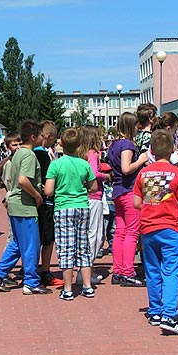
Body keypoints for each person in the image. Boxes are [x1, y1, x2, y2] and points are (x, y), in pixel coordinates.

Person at [133, 129, 178, 335]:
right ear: (173, 149)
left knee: (152, 270)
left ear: (151, 150)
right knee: (171, 270)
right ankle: (169, 314)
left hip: (148, 228)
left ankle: (155, 310)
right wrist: (177, 217)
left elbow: (136, 202)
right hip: (171, 228)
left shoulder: (143, 173)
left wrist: (153, 209)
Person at [0, 120, 51, 295]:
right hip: (24, 205)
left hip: (15, 203)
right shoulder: (29, 155)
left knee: (17, 244)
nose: (43, 138)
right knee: (31, 245)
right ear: (33, 137)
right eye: (41, 135)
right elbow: (23, 180)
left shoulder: (18, 154)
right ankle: (31, 281)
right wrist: (37, 195)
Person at [45, 128, 97, 300]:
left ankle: (68, 288)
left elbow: (49, 191)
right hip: (82, 206)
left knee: (66, 247)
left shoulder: (56, 164)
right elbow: (94, 187)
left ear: (61, 143)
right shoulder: (84, 164)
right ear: (79, 145)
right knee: (83, 246)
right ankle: (87, 286)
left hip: (63, 208)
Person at [107, 112, 149, 286]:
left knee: (120, 231)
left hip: (118, 191)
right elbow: (126, 168)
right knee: (132, 232)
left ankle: (118, 270)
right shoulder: (126, 144)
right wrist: (141, 160)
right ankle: (127, 271)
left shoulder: (113, 145)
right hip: (129, 191)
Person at [77, 125, 111, 276]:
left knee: (90, 233)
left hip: (85, 197)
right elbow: (94, 173)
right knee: (95, 234)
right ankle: (85, 269)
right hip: (94, 196)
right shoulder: (93, 154)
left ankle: (85, 268)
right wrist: (106, 176)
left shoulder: (81, 154)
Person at [34, 120, 63, 286]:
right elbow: (47, 179)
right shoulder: (43, 155)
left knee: (37, 238)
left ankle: (31, 268)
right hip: (46, 203)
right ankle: (45, 270)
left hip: (38, 202)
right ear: (49, 137)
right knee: (47, 239)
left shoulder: (33, 153)